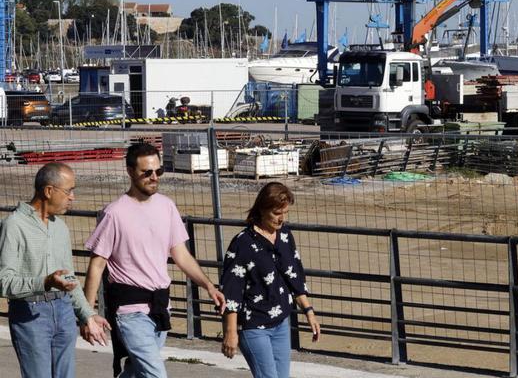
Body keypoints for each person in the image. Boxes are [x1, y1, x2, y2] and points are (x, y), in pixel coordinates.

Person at [83, 143, 226, 378]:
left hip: (160, 306)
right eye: (146, 172)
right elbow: (96, 265)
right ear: (130, 171)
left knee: (136, 372)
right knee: (155, 374)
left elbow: (180, 254)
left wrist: (208, 286)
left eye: (158, 172)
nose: (153, 177)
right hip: (130, 310)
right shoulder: (114, 213)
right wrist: (88, 314)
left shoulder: (167, 206)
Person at [0, 162, 111, 378]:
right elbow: (4, 282)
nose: (72, 197)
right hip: (30, 314)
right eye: (69, 191)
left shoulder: (60, 228)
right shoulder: (13, 226)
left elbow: (70, 279)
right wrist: (45, 282)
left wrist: (88, 315)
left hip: (64, 312)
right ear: (49, 191)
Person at [219, 182, 320, 378]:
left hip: (281, 321)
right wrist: (230, 332)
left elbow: (294, 276)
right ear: (262, 209)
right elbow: (231, 291)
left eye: (285, 213)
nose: (281, 218)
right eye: (276, 213)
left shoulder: (284, 235)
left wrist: (309, 312)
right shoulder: (242, 243)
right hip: (254, 326)